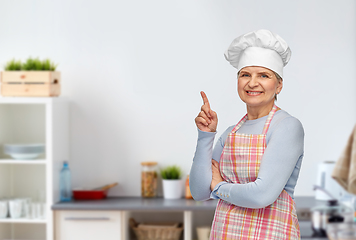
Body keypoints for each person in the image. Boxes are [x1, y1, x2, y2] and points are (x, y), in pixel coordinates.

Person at [190, 29, 304, 240]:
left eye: (264, 75)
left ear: (278, 85)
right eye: (245, 74)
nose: (252, 83)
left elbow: (261, 195)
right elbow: (199, 192)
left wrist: (218, 186)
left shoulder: (287, 127)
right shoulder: (229, 133)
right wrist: (205, 136)